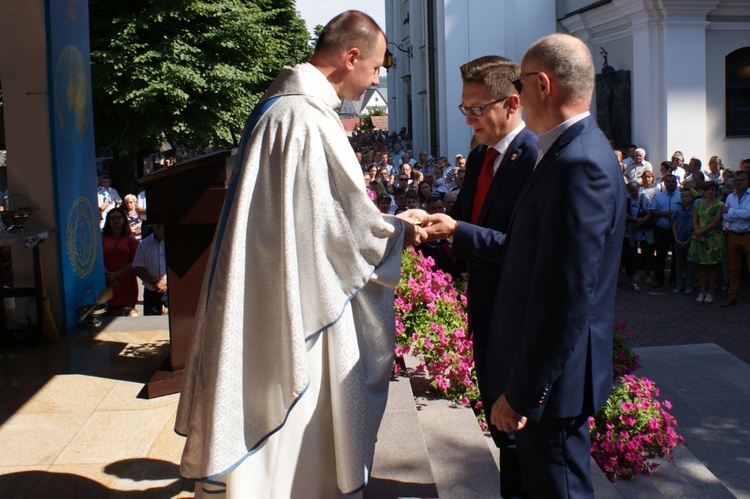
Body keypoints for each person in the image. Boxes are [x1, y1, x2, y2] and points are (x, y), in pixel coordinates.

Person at [174, 11, 426, 498]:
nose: (377, 78)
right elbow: (345, 226)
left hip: (278, 284)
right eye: (374, 67)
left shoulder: (281, 108)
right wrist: (399, 231)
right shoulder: (307, 119)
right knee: (300, 429)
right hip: (302, 301)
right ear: (350, 56)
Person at [425, 34, 624, 497]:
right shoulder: (566, 152)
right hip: (540, 372)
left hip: (553, 384)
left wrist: (524, 391)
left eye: (518, 83)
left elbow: (566, 297)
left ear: (540, 84)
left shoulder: (578, 163)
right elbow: (532, 255)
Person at [443, 54, 537, 497]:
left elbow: (523, 250)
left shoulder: (535, 158)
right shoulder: (481, 155)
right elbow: (466, 222)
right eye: (465, 108)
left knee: (521, 441)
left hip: (518, 323)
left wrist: (459, 231)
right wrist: (430, 229)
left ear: (512, 102)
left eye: (477, 109)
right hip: (485, 315)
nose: (469, 120)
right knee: (501, 434)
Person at [688, 182, 725, 304]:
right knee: (701, 266)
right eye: (709, 189)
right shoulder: (697, 203)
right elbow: (694, 220)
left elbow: (716, 222)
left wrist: (701, 232)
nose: (711, 192)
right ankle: (702, 291)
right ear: (704, 191)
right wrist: (699, 233)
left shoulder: (720, 204)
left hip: (713, 237)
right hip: (699, 236)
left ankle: (710, 292)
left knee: (713, 266)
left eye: (713, 190)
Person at [101, 208, 139, 316]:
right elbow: (97, 260)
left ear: (124, 220)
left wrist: (116, 275)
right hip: (107, 281)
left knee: (129, 314)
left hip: (126, 281)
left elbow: (135, 261)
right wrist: (109, 275)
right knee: (109, 314)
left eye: (118, 217)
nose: (116, 220)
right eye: (112, 218)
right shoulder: (102, 238)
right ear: (108, 221)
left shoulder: (130, 239)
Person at [720, 169, 750, 307]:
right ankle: (732, 296)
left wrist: (731, 212)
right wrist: (735, 214)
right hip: (733, 235)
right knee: (733, 268)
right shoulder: (730, 197)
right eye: (737, 180)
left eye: (741, 180)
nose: (739, 182)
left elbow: (748, 214)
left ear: (747, 181)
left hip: (748, 235)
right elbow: (724, 216)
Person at [649, 174, 680, 287]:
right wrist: (663, 214)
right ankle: (658, 279)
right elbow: (652, 211)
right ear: (665, 183)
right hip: (662, 230)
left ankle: (673, 280)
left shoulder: (681, 197)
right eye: (669, 182)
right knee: (660, 256)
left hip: (676, 231)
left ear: (676, 183)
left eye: (673, 181)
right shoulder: (659, 196)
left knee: (676, 257)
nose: (671, 184)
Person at [132, 223, 167, 316]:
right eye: (158, 226)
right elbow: (137, 267)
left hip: (171, 292)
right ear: (153, 227)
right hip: (151, 292)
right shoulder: (144, 244)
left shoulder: (177, 242)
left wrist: (165, 282)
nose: (161, 229)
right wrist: (154, 283)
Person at [672, 188, 695, 294]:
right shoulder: (678, 210)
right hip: (679, 240)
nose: (685, 199)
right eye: (683, 197)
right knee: (679, 263)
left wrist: (689, 239)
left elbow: (695, 227)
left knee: (690, 263)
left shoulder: (694, 210)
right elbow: (674, 225)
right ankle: (678, 284)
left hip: (690, 240)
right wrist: (676, 238)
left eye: (687, 196)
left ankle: (689, 285)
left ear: (691, 198)